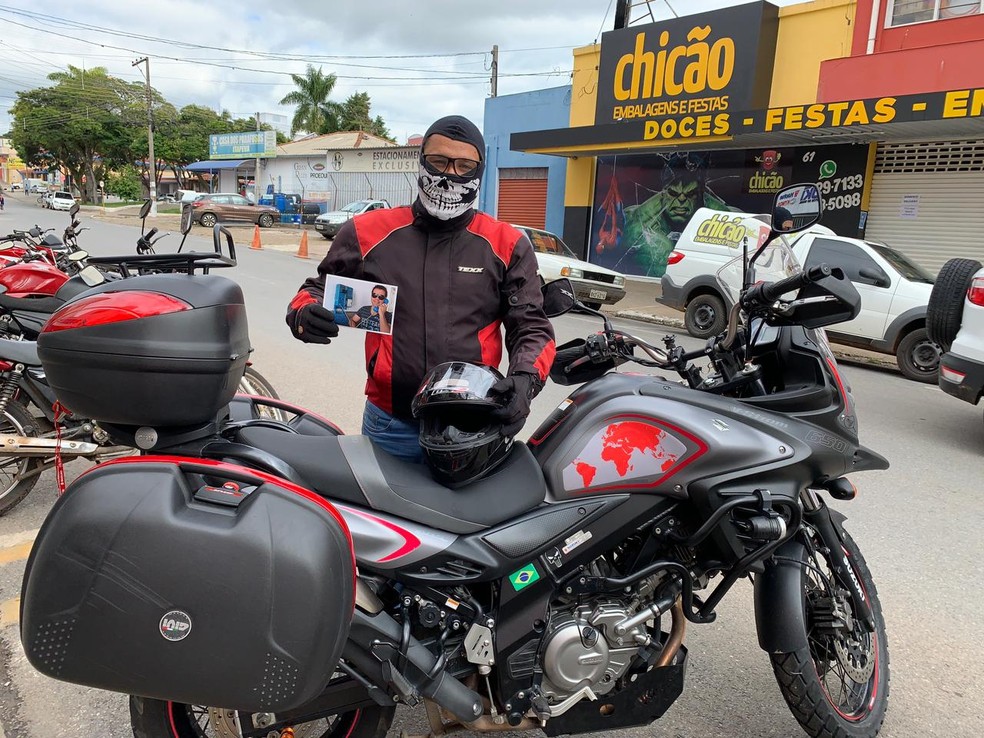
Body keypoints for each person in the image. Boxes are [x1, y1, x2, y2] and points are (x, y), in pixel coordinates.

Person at [286, 114, 556, 463]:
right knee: (377, 518)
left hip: (470, 427)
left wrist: (524, 381)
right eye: (439, 161)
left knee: (465, 519)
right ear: (421, 162)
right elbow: (317, 289)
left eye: (464, 166)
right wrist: (303, 313)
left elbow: (531, 327)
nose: (449, 175)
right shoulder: (367, 232)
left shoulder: (507, 244)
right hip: (390, 424)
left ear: (479, 171)